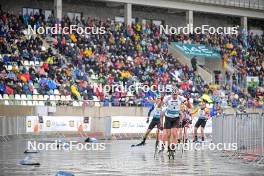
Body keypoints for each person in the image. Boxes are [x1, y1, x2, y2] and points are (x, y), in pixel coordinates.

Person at [160, 87, 184, 152]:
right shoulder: (167, 98)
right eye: (173, 94)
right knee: (167, 134)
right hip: (168, 118)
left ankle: (173, 147)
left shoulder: (180, 98)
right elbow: (161, 107)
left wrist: (187, 100)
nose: (175, 96)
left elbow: (187, 107)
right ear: (171, 94)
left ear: (178, 94)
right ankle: (167, 146)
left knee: (174, 133)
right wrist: (161, 100)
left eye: (176, 94)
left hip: (176, 118)